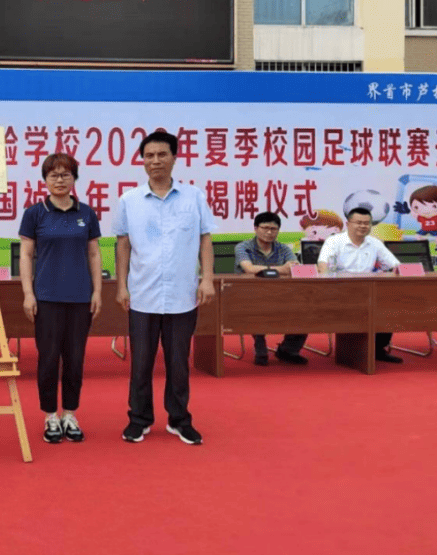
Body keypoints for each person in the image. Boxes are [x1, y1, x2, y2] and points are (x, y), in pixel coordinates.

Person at [113, 131, 216, 446]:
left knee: (178, 362)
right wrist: (121, 286)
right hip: (143, 295)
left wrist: (208, 278)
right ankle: (139, 419)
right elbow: (123, 244)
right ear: (142, 160)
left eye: (161, 154)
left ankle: (179, 420)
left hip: (183, 296)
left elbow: (205, 239)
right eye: (148, 156)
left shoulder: (193, 197)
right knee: (141, 363)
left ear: (174, 157)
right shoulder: (129, 200)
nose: (154, 161)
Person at [18, 153, 102, 444]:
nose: (60, 180)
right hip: (47, 298)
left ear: (74, 179)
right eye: (53, 175)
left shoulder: (86, 213)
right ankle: (50, 416)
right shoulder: (34, 213)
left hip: (80, 297)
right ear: (44, 180)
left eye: (66, 174)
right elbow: (26, 255)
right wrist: (28, 294)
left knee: (75, 359)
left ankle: (70, 414)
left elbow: (93, 253)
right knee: (49, 358)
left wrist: (98, 292)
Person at [317, 207, 402, 364]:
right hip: (339, 290)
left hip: (368, 291)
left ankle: (378, 349)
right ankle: (352, 351)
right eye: (359, 223)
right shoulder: (334, 241)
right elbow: (323, 266)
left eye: (367, 223)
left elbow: (395, 265)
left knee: (388, 306)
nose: (363, 226)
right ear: (348, 224)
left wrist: (397, 269)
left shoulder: (375, 243)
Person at [234, 212, 308, 366]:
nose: (269, 232)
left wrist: (276, 269)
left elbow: (294, 268)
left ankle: (288, 350)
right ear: (256, 228)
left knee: (304, 307)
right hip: (249, 295)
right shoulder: (243, 247)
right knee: (257, 307)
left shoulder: (283, 248)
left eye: (274, 229)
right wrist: (281, 268)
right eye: (265, 228)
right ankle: (260, 344)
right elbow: (249, 268)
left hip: (281, 294)